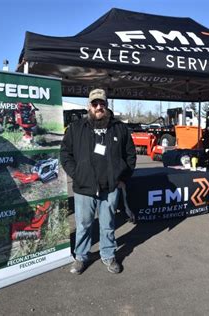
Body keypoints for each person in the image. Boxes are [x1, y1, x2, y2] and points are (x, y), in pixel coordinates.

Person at [60, 88, 136, 274]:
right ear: (89, 106)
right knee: (84, 225)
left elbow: (130, 156)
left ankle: (108, 256)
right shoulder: (76, 128)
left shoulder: (119, 128)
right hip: (84, 187)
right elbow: (65, 154)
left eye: (102, 103)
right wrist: (77, 174)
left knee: (107, 224)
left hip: (110, 187)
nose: (98, 107)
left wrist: (122, 178)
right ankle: (81, 257)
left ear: (106, 105)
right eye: (95, 104)